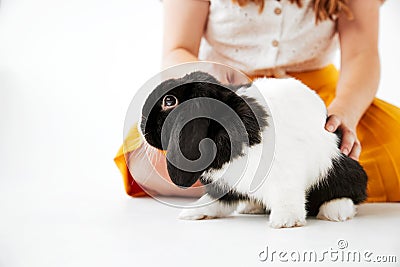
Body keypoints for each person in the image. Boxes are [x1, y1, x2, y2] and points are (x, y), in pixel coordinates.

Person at [115, 0, 400, 202]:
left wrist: (344, 113)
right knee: (142, 160)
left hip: (315, 101)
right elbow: (177, 49)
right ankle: (307, 182)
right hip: (231, 102)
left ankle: (247, 186)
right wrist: (207, 75)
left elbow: (362, 54)